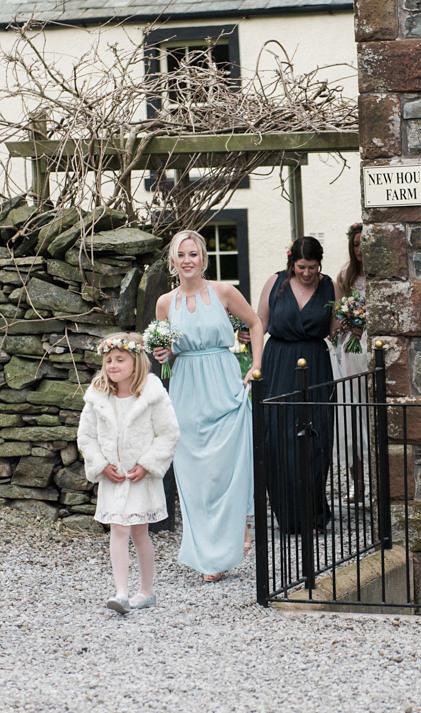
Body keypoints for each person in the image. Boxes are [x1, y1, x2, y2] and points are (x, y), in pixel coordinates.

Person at [152, 230, 264, 582]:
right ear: (173, 262)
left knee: (225, 466)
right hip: (186, 388)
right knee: (193, 473)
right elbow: (166, 349)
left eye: (194, 254)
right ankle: (207, 555)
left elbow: (256, 323)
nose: (188, 261)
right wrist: (163, 353)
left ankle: (232, 535)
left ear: (204, 258)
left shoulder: (224, 292)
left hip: (222, 382)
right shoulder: (164, 303)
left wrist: (256, 368)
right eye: (181, 255)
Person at [77, 333, 180, 614]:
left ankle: (146, 590)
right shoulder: (98, 396)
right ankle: (121, 592)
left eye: (120, 360)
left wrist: (147, 464)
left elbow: (168, 433)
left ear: (135, 362)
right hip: (114, 477)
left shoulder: (152, 394)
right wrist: (100, 464)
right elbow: (86, 436)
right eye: (108, 360)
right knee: (118, 529)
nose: (112, 365)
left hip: (139, 477)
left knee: (140, 532)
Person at [257, 235, 338, 535]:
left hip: (316, 364)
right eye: (302, 267)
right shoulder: (275, 283)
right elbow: (259, 324)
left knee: (316, 439)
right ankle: (288, 515)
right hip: (279, 362)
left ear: (320, 264)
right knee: (278, 439)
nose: (307, 273)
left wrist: (353, 325)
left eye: (312, 267)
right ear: (292, 262)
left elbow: (335, 331)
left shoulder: (330, 286)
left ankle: (313, 512)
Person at [329, 222, 368, 503]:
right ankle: (358, 483)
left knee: (371, 414)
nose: (360, 249)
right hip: (352, 350)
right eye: (356, 244)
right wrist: (350, 326)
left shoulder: (385, 275)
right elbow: (337, 320)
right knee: (351, 416)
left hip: (373, 347)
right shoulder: (344, 277)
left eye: (364, 243)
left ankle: (379, 484)